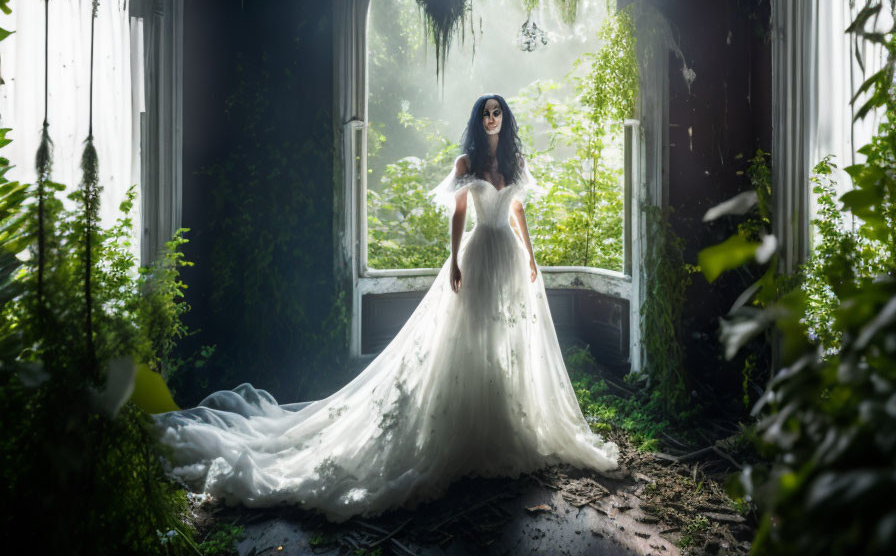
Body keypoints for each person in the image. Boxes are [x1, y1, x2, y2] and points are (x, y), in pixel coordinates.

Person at [155, 94, 618, 521]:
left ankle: (505, 418)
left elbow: (518, 211)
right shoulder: (467, 161)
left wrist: (532, 256)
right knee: (473, 334)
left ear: (506, 118)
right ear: (478, 120)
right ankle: (463, 431)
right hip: (478, 254)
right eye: (485, 112)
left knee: (506, 336)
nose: (492, 118)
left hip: (509, 257)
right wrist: (454, 260)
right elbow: (459, 213)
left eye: (498, 112)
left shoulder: (516, 161)